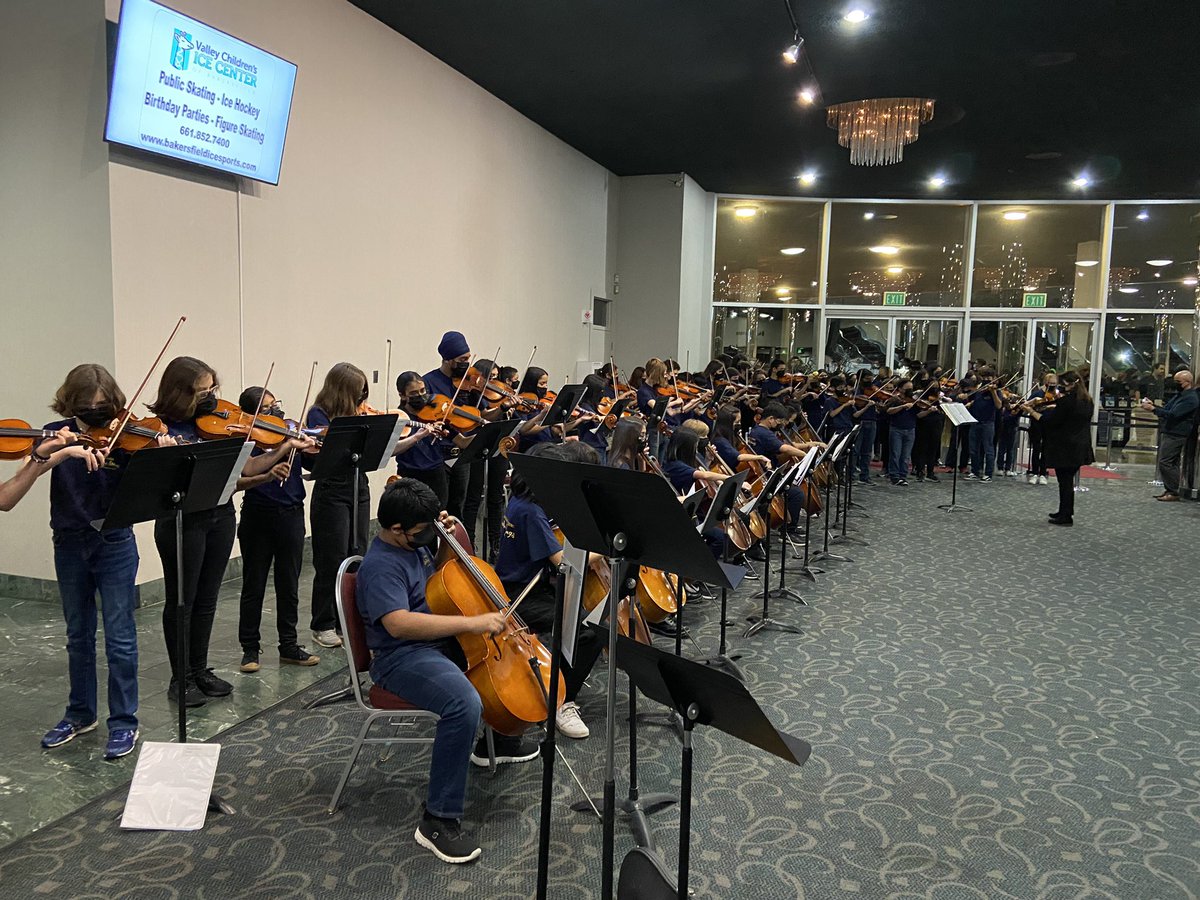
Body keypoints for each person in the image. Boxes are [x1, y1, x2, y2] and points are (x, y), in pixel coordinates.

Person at [356, 478, 539, 865]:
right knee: (462, 703)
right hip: (400, 657)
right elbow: (399, 624)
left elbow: (438, 586)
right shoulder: (380, 567)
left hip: (433, 644)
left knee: (499, 670)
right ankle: (437, 819)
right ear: (394, 530)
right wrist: (471, 625)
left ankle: (501, 739)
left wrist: (446, 539)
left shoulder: (414, 543)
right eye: (421, 531)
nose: (427, 535)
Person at [37, 365, 156, 759]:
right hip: (69, 540)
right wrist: (53, 449)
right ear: (71, 403)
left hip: (114, 541)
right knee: (78, 635)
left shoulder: (126, 435)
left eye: (104, 407)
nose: (97, 415)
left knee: (120, 637)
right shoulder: (57, 432)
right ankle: (79, 713)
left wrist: (158, 448)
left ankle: (124, 722)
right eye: (88, 408)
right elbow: (33, 463)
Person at [495, 444, 605, 739]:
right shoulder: (530, 511)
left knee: (585, 621)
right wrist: (608, 549)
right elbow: (563, 564)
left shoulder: (521, 501)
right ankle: (561, 701)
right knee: (590, 631)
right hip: (521, 597)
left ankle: (558, 683)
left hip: (523, 586)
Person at [234, 387, 320, 674]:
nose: (277, 414)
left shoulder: (291, 431)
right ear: (251, 416)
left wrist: (315, 445)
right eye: (268, 409)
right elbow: (248, 471)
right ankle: (249, 648)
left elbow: (314, 459)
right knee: (254, 584)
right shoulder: (244, 438)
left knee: (289, 583)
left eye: (276, 405)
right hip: (258, 516)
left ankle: (289, 645)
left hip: (291, 514)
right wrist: (285, 447)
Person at [1030, 371, 1094, 526]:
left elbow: (1050, 421)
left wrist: (1031, 411)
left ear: (1069, 384)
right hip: (1080, 445)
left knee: (1064, 482)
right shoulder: (1087, 400)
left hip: (1066, 447)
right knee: (1067, 481)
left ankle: (1065, 516)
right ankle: (1065, 510)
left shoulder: (1067, 402)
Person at [394, 371, 452, 505]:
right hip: (410, 474)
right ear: (402, 395)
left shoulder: (434, 412)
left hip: (436, 472)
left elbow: (456, 438)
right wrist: (419, 435)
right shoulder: (400, 418)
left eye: (422, 390)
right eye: (414, 393)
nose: (420, 396)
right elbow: (393, 450)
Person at [1141, 368, 1198, 502]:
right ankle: (1171, 489)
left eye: (1178, 381)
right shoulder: (1180, 395)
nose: (1175, 383)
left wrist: (1153, 409)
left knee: (1165, 462)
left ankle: (1173, 490)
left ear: (1187, 382)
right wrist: (1153, 406)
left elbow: (1174, 415)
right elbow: (1168, 409)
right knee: (1172, 462)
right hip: (1170, 431)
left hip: (1177, 433)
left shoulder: (1191, 399)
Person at [962, 375, 1001, 482]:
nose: (986, 381)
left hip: (988, 423)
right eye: (984, 378)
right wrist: (970, 402)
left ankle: (988, 474)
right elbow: (976, 400)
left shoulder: (996, 391)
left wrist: (993, 392)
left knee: (988, 449)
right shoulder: (979, 390)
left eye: (989, 379)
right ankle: (975, 471)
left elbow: (998, 406)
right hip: (975, 422)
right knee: (973, 449)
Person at [1026, 373, 1057, 485]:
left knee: (1046, 449)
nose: (1053, 386)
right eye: (1050, 383)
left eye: (1054, 384)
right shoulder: (1038, 394)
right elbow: (1026, 405)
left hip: (1050, 424)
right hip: (1037, 423)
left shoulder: (1057, 395)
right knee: (1036, 448)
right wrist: (1035, 404)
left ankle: (1043, 473)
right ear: (1046, 383)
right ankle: (1034, 473)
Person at [885, 382, 918, 485]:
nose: (910, 390)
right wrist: (903, 406)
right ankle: (894, 476)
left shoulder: (914, 400)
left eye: (911, 388)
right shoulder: (895, 399)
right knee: (895, 453)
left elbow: (919, 415)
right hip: (896, 429)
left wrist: (929, 410)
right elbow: (888, 411)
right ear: (900, 389)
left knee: (906, 455)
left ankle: (903, 476)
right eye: (907, 388)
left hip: (910, 429)